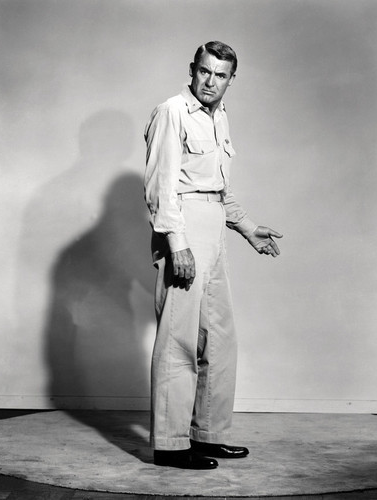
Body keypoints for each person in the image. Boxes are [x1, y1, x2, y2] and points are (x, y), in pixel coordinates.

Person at [144, 41, 282, 470]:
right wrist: (177, 243)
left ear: (230, 80)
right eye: (204, 71)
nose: (210, 81)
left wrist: (248, 228)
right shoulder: (172, 111)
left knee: (219, 340)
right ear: (192, 70)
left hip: (213, 227)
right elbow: (161, 186)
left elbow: (219, 188)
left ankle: (206, 435)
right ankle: (170, 444)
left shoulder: (219, 115)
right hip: (183, 227)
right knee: (178, 340)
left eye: (220, 75)